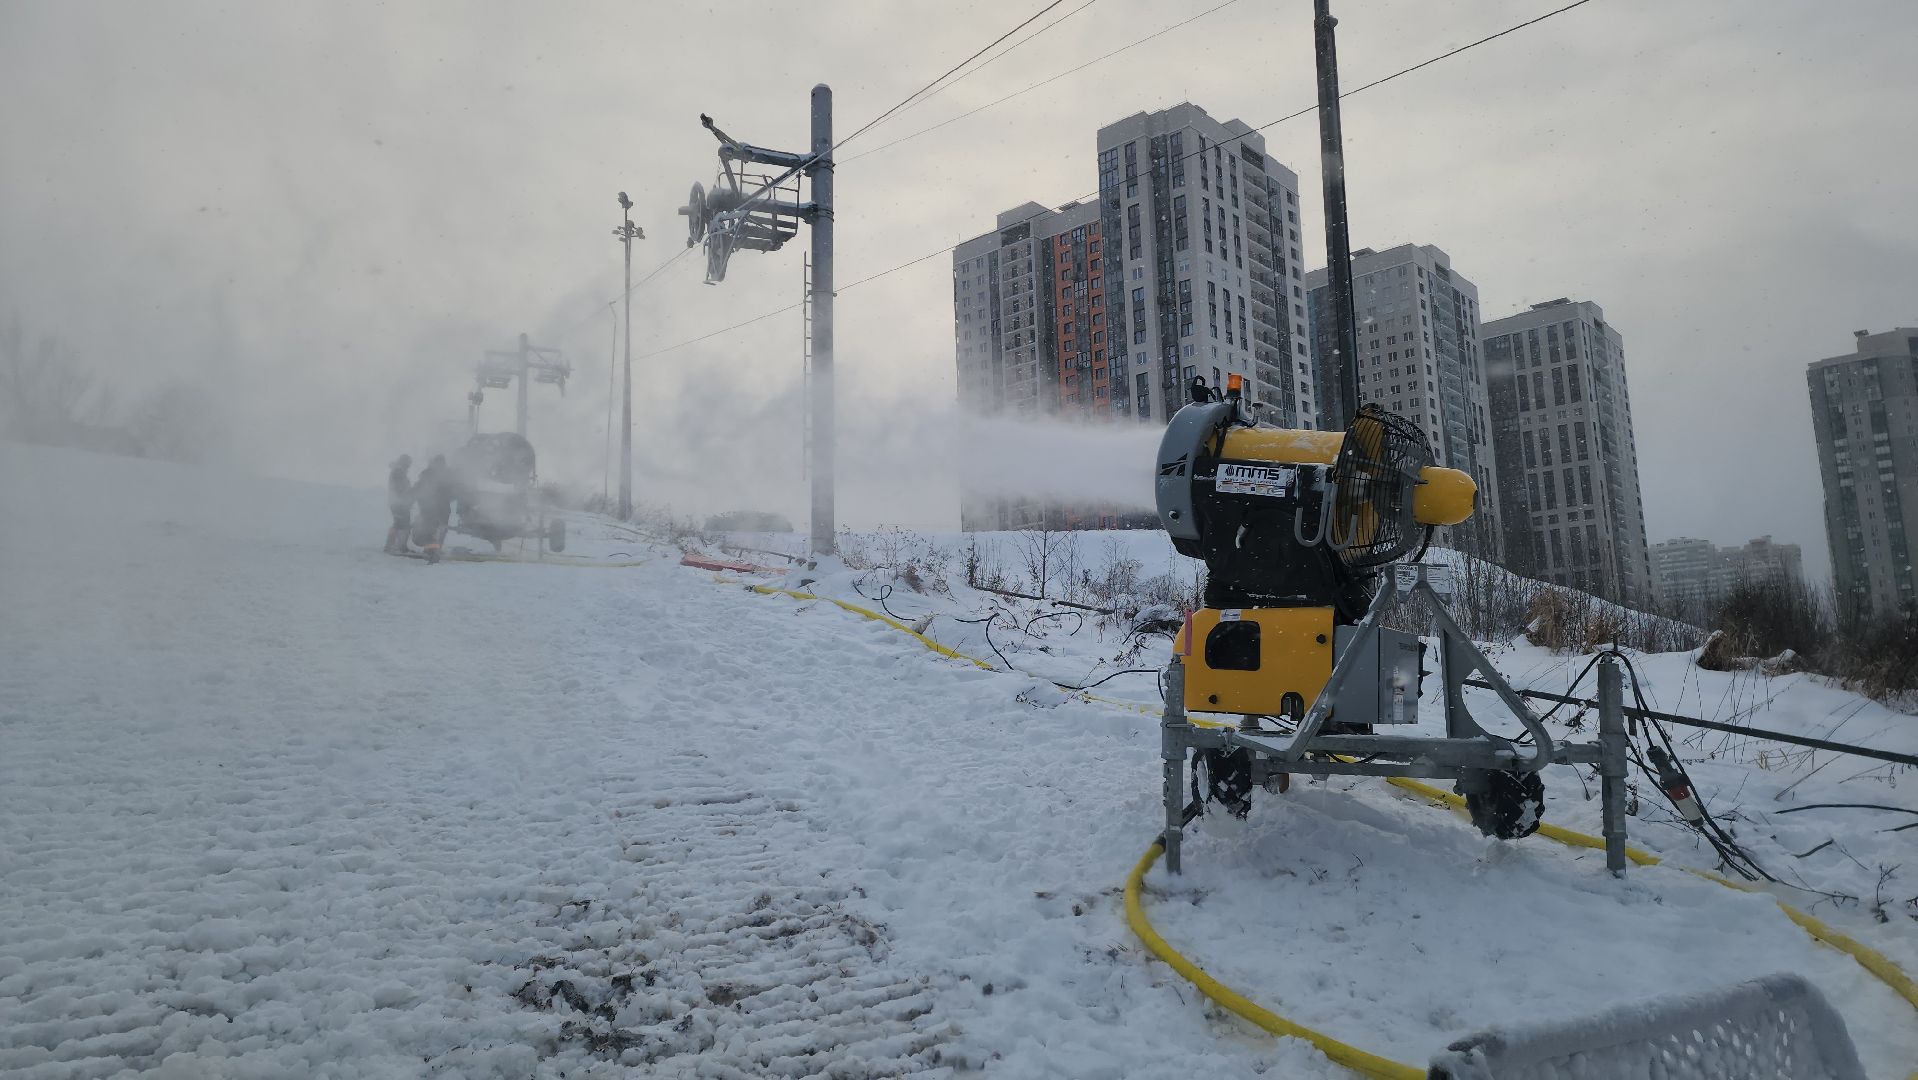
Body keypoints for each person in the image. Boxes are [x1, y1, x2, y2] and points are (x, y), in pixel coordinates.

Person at [410, 454, 455, 563]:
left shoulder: (428, 474)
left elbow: (418, 488)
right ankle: (434, 550)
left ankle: (433, 552)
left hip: (431, 508)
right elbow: (453, 490)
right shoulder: (447, 474)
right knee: (438, 529)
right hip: (440, 508)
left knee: (432, 530)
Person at [384, 455, 414, 554]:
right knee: (402, 524)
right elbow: (400, 488)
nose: (409, 466)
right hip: (399, 503)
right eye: (408, 464)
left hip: (398, 503)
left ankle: (394, 545)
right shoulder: (398, 471)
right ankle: (396, 546)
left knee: (399, 524)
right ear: (404, 462)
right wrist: (408, 496)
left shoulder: (399, 471)